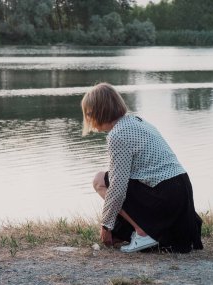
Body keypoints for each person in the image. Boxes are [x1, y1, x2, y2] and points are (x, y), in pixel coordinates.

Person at [81, 82, 203, 253]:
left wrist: (106, 225)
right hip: (180, 192)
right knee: (110, 179)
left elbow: (118, 187)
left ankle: (143, 232)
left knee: (100, 180)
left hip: (166, 195)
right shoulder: (136, 121)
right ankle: (139, 231)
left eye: (89, 113)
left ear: (99, 112)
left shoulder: (117, 134)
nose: (89, 119)